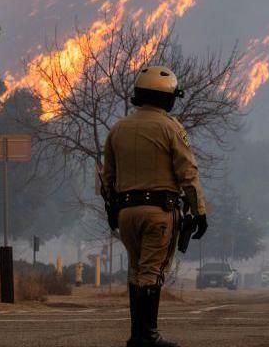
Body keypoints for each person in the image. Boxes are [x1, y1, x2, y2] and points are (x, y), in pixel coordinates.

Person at [101, 65, 209, 347]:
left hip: (126, 214)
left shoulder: (118, 129)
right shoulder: (171, 128)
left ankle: (137, 335)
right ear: (167, 98)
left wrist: (113, 211)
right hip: (159, 213)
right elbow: (188, 174)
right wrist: (200, 212)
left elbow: (106, 178)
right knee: (151, 272)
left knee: (136, 270)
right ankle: (147, 336)